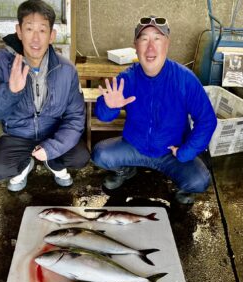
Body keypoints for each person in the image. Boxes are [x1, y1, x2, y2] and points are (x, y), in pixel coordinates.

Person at [91, 16, 217, 204]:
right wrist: (108, 106)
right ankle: (126, 170)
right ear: (135, 45)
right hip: (135, 146)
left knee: (200, 181)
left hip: (171, 151)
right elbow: (102, 114)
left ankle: (182, 186)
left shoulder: (185, 79)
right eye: (144, 39)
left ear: (167, 43)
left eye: (157, 39)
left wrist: (185, 152)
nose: (150, 48)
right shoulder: (128, 77)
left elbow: (207, 120)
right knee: (100, 154)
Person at [0, 0, 89, 192]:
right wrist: (10, 92)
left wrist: (53, 147)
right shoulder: (0, 63)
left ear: (52, 35)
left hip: (52, 132)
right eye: (29, 29)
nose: (35, 39)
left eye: (43, 30)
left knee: (80, 157)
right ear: (19, 31)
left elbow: (75, 117)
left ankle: (53, 162)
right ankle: (25, 165)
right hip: (17, 134)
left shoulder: (66, 69)